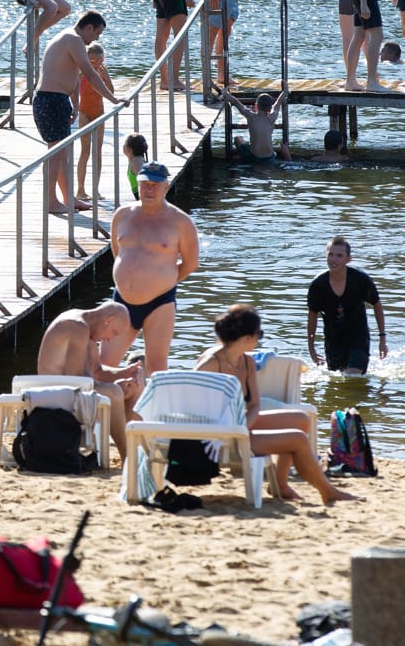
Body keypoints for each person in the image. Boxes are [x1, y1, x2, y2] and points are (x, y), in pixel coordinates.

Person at [196, 304, 360, 504]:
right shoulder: (210, 364)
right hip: (217, 434)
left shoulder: (245, 362)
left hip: (237, 423)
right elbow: (197, 409)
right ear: (247, 338)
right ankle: (327, 491)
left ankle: (280, 485)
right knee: (297, 439)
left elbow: (254, 404)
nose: (259, 339)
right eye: (259, 334)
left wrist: (244, 425)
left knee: (300, 420)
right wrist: (237, 431)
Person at [99, 160, 199, 375]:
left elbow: (191, 264)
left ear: (166, 186)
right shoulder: (122, 214)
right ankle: (108, 406)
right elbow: (118, 252)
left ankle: (156, 409)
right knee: (103, 362)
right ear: (137, 183)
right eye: (145, 184)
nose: (149, 189)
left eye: (155, 184)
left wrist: (162, 281)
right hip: (122, 301)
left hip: (160, 302)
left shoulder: (181, 222)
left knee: (156, 365)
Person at [34, 10, 125, 214]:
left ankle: (68, 198)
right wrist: (113, 99)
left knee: (62, 152)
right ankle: (50, 201)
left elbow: (73, 77)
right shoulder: (73, 39)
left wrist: (75, 105)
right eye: (97, 34)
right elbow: (90, 75)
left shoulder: (70, 40)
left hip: (57, 100)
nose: (96, 39)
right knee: (55, 153)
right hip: (50, 99)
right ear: (89, 27)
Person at [37, 301, 144, 459]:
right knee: (114, 393)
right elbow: (75, 378)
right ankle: (128, 456)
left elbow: (97, 372)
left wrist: (126, 372)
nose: (109, 339)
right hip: (55, 394)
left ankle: (136, 447)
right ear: (109, 320)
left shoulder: (88, 330)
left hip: (70, 389)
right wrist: (114, 386)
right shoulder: (77, 327)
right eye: (113, 333)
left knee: (133, 387)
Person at [306, 236, 387, 374]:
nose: (333, 259)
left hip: (358, 337)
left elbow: (377, 305)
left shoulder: (361, 280)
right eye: (330, 254)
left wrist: (382, 339)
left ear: (349, 259)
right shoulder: (318, 285)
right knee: (337, 382)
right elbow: (312, 316)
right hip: (333, 339)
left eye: (339, 255)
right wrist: (312, 349)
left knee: (352, 374)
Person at [75, 42, 115, 202]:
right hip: (84, 113)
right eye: (93, 62)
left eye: (100, 61)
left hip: (99, 113)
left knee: (97, 152)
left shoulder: (102, 72)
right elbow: (73, 89)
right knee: (85, 151)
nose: (97, 64)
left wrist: (106, 78)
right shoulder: (81, 72)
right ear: (86, 59)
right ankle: (80, 189)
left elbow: (111, 92)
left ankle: (95, 189)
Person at [221, 89, 292, 162]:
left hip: (254, 157)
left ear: (256, 106)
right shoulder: (272, 117)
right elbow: (278, 103)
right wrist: (285, 90)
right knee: (278, 149)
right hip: (270, 157)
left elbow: (236, 102)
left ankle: (245, 155)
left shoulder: (251, 116)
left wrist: (225, 93)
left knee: (238, 139)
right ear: (270, 108)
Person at [122, 132, 148, 199]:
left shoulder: (137, 162)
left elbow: (143, 182)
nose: (123, 146)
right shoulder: (133, 159)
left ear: (129, 149)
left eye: (124, 144)